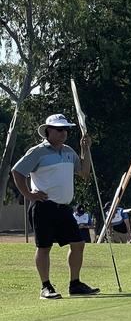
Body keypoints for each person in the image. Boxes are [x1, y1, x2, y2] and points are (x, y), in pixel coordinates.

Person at [11, 113, 100, 299]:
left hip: (63, 207)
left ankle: (75, 284)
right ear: (48, 131)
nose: (63, 132)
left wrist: (86, 150)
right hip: (43, 206)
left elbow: (84, 173)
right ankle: (45, 287)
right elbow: (17, 172)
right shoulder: (38, 152)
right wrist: (29, 194)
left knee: (78, 244)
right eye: (59, 129)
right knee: (44, 247)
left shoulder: (68, 151)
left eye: (66, 129)